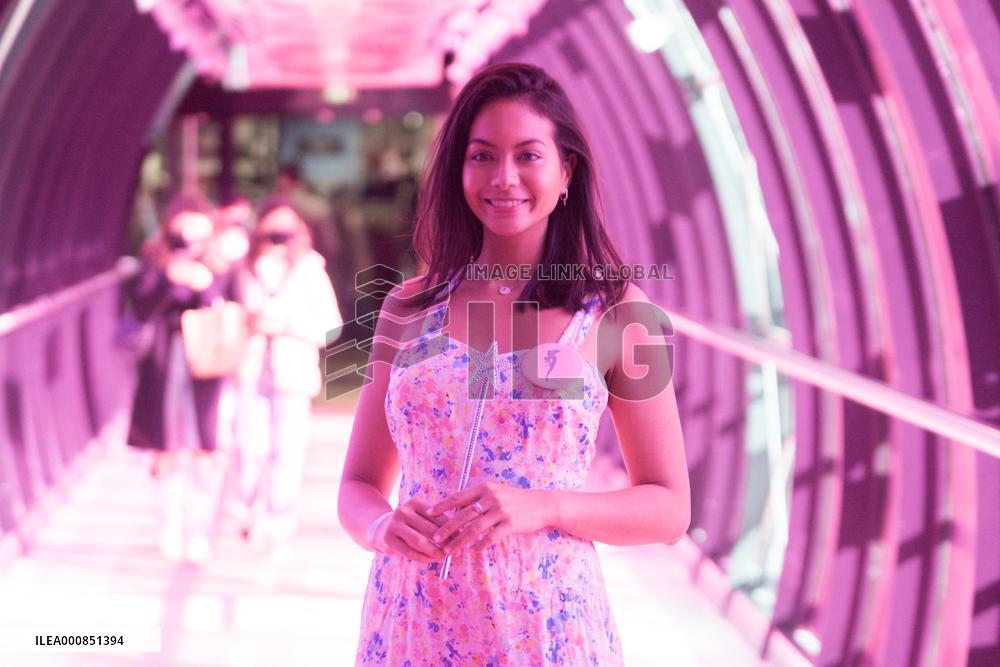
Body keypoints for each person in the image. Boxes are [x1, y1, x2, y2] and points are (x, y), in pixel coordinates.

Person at [338, 63, 690, 664]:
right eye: (482, 156)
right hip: (412, 625)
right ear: (459, 170)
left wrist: (548, 505)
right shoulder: (407, 307)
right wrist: (380, 527)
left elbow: (669, 508)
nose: (504, 178)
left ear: (566, 171)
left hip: (547, 630)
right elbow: (358, 485)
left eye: (528, 155)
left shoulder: (620, 312)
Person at [126, 193, 237, 563]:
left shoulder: (221, 265)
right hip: (164, 364)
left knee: (205, 446)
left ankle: (199, 530)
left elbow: (228, 310)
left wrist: (203, 284)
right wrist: (168, 277)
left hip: (206, 366)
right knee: (165, 447)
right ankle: (168, 527)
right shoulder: (155, 261)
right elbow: (140, 309)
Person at [234, 195, 342, 548]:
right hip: (249, 369)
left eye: (286, 230)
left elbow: (331, 327)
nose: (279, 237)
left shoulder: (309, 268)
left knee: (287, 449)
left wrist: (286, 325)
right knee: (248, 446)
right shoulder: (245, 266)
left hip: (292, 372)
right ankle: (247, 510)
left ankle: (279, 518)